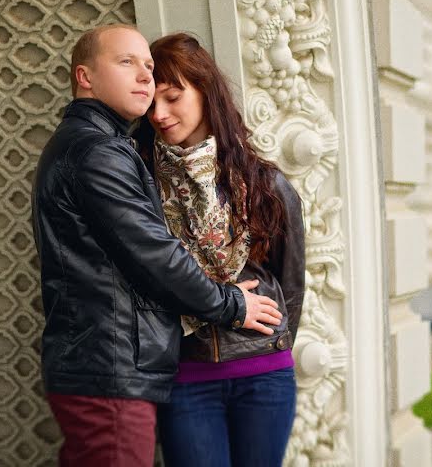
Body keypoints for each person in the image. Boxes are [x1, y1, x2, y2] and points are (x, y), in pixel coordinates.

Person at [31, 23, 283, 467]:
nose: (146, 76)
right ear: (84, 77)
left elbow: (290, 276)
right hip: (110, 369)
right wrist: (232, 305)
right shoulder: (98, 152)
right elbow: (156, 257)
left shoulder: (103, 146)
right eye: (127, 62)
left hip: (110, 367)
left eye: (148, 65)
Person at [134, 32, 306, 467]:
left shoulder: (267, 185)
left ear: (205, 93)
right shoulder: (140, 185)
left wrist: (276, 346)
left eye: (173, 97)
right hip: (184, 376)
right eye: (153, 102)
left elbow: (290, 283)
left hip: (263, 376)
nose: (159, 114)